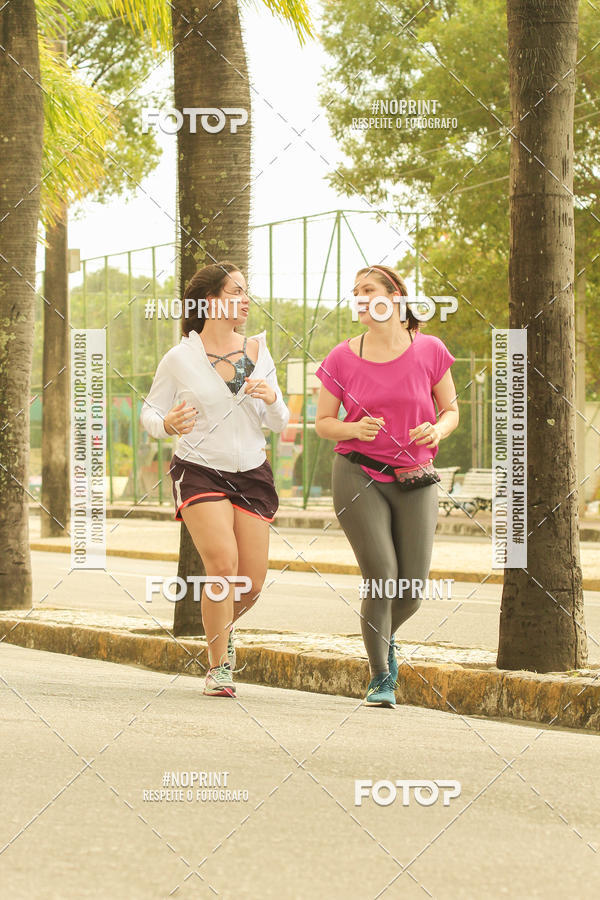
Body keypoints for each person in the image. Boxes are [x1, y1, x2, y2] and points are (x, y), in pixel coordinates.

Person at [140, 262, 289, 698]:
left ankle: (220, 633)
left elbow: (279, 422)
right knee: (223, 566)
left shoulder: (259, 352)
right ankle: (218, 666)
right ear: (210, 301)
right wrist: (166, 424)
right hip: (200, 469)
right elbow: (150, 411)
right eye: (235, 291)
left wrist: (272, 398)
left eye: (246, 291)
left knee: (251, 584)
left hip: (252, 471)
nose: (245, 299)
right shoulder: (181, 358)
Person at [315, 264, 459, 708]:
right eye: (355, 291)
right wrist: (352, 429)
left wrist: (437, 430)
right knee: (381, 576)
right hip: (357, 473)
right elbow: (323, 423)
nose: (359, 297)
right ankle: (380, 676)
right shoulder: (341, 357)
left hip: (416, 476)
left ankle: (383, 638)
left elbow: (451, 411)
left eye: (368, 289)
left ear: (395, 296)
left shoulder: (430, 349)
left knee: (410, 591)